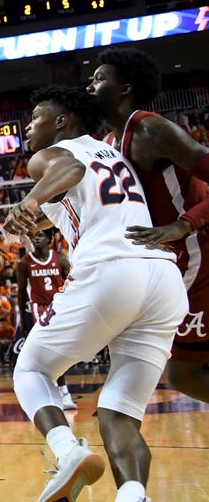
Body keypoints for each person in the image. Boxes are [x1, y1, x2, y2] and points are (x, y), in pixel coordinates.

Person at [3, 86, 186, 502]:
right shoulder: (113, 152)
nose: (28, 125)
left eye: (36, 116)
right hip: (162, 278)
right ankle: (133, 495)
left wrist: (31, 202)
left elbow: (70, 171)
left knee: (30, 371)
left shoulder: (49, 157)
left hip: (111, 271)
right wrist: (41, 218)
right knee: (119, 412)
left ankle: (68, 452)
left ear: (62, 121)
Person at [88, 47, 209, 404]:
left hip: (198, 256)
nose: (89, 86)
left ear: (124, 89)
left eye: (98, 79)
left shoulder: (151, 130)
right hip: (171, 265)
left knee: (183, 371)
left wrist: (183, 225)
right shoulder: (108, 143)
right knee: (182, 371)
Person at [15, 228, 76, 409]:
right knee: (51, 347)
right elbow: (20, 292)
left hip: (59, 305)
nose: (36, 238)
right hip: (39, 308)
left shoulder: (61, 260)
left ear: (49, 239)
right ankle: (63, 391)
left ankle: (58, 387)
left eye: (40, 235)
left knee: (62, 348)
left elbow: (72, 285)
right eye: (34, 236)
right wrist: (22, 318)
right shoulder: (24, 263)